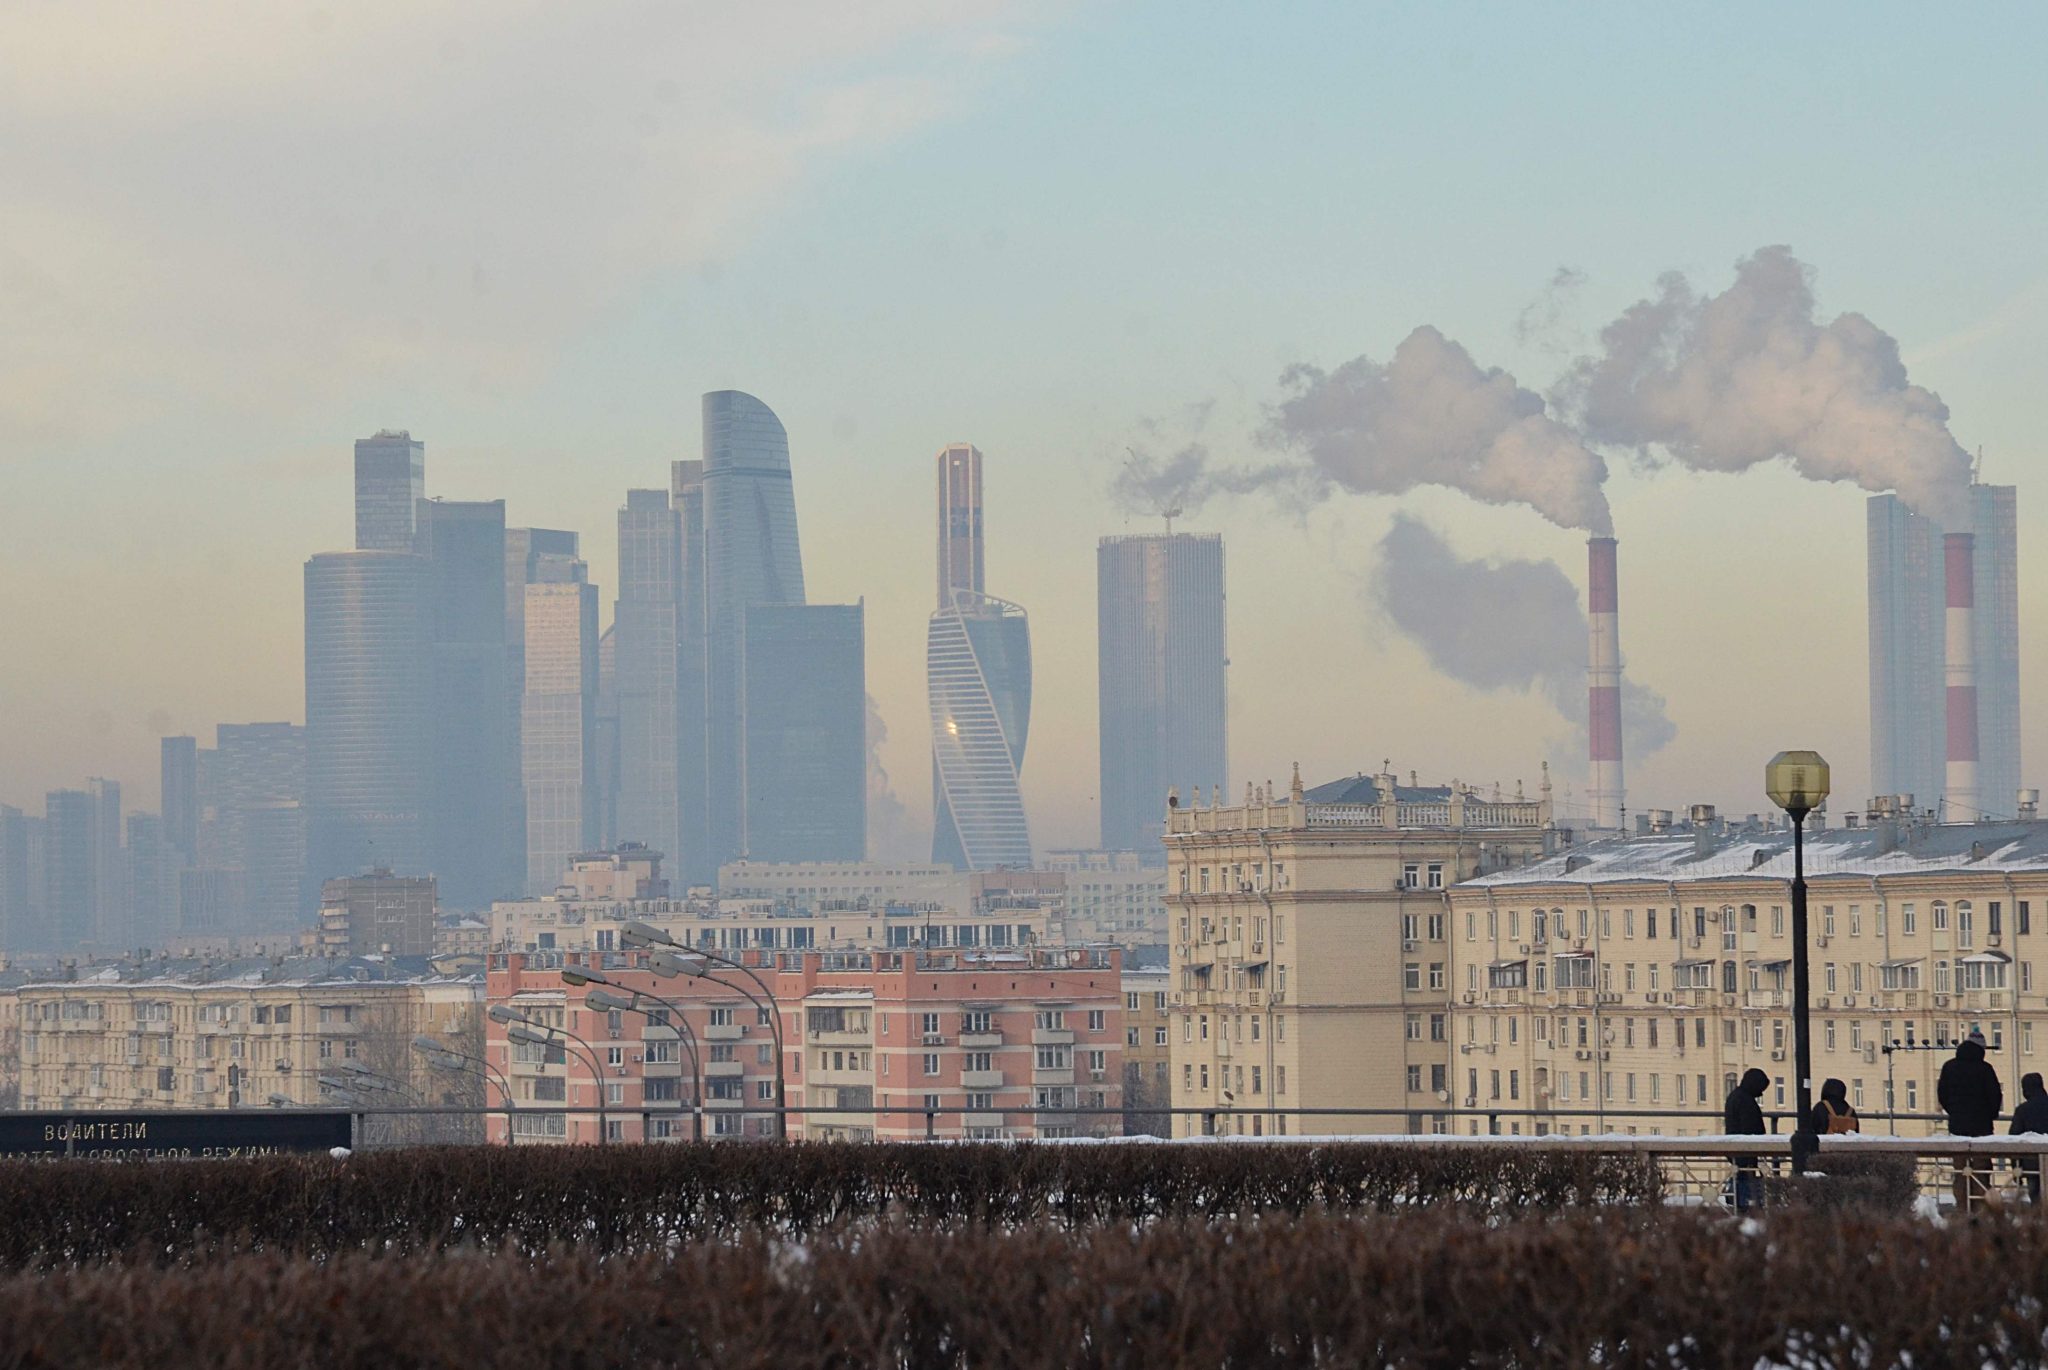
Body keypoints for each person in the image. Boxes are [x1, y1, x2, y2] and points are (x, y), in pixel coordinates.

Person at [1938, 1032, 2003, 1209]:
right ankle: (1981, 1209)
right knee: (1981, 1170)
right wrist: (1989, 1115)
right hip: (1982, 1129)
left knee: (1961, 1171)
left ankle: (1962, 1208)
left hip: (1957, 1128)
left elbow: (1942, 1094)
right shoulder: (1985, 1069)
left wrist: (1955, 1112)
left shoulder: (1949, 1067)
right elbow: (1994, 1096)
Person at [1723, 1067, 1770, 1210]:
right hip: (1745, 1150)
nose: (1761, 1093)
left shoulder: (1736, 1097)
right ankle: (1743, 1206)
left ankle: (1741, 1204)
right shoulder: (1745, 1101)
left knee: (1741, 1179)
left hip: (1738, 1150)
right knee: (1745, 1185)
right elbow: (1750, 1126)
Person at [2011, 1072, 2048, 1204]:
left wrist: (2016, 1168)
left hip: (2031, 1165)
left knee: (2036, 1199)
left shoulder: (2022, 1110)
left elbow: (2014, 1141)